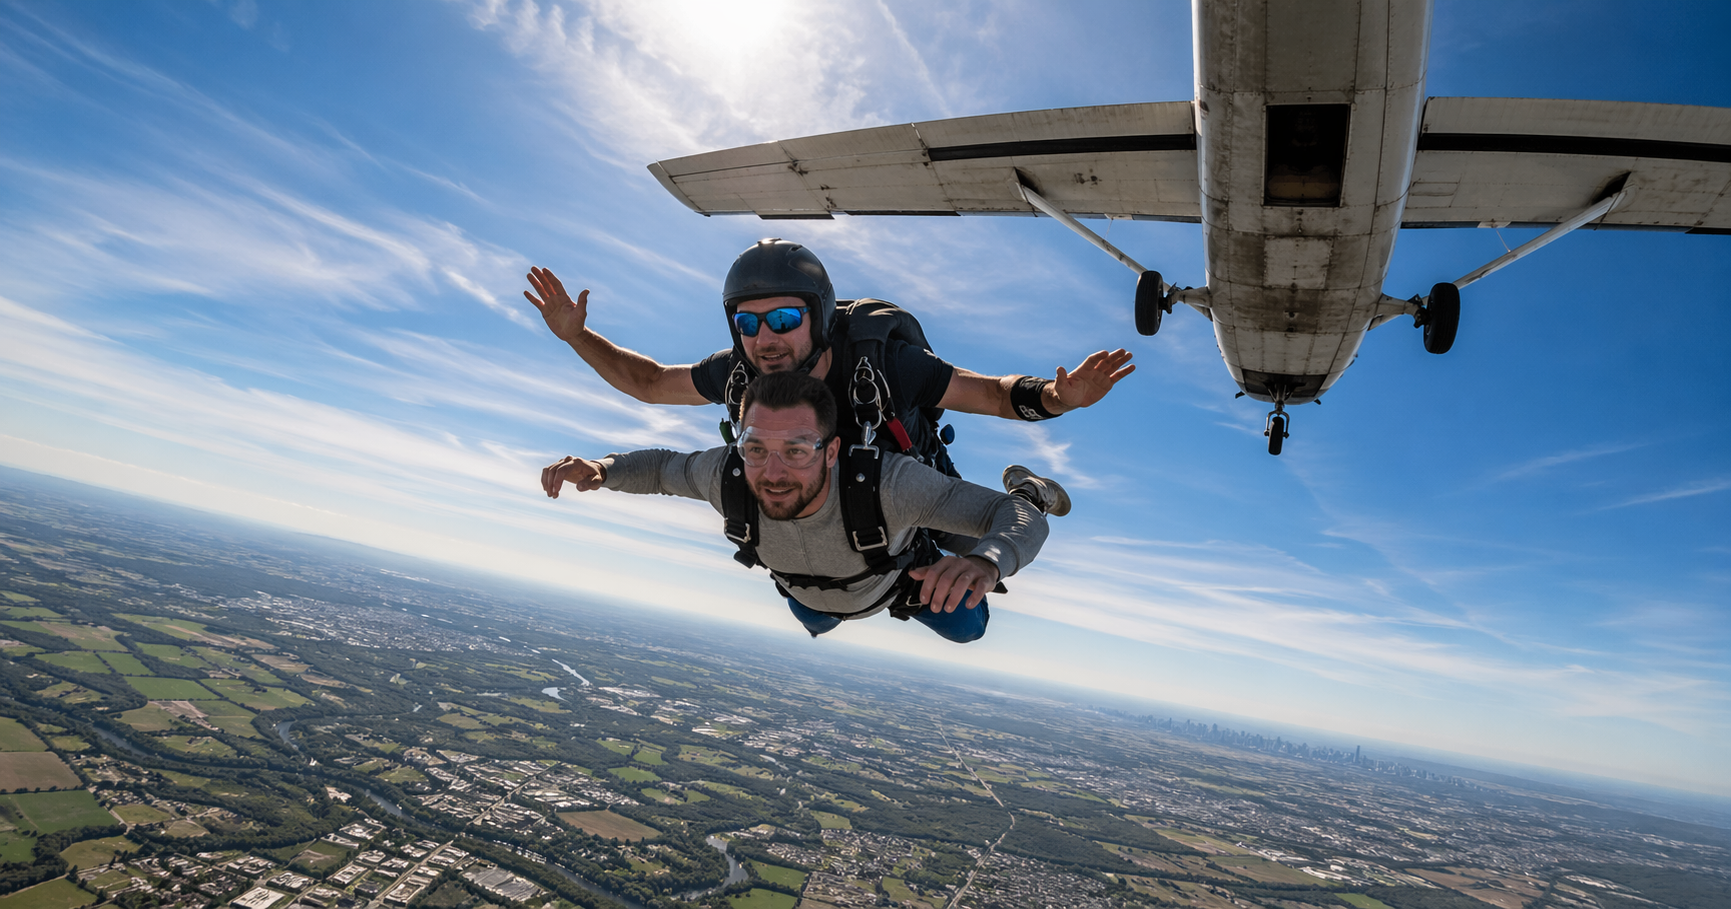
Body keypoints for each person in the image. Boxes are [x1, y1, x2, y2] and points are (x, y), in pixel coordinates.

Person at [540, 372, 1069, 643]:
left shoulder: (887, 484)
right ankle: (826, 609)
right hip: (813, 592)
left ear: (832, 450)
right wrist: (603, 470)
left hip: (899, 582)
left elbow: (1011, 520)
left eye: (796, 450)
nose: (771, 473)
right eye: (755, 449)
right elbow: (662, 468)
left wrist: (985, 562)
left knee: (968, 628)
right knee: (816, 620)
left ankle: (1031, 484)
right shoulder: (728, 472)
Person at [523, 239, 1135, 469]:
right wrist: (576, 336)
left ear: (818, 317)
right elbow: (651, 383)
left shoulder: (884, 364)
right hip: (826, 506)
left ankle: (1025, 492)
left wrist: (1060, 398)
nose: (765, 339)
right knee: (812, 605)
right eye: (747, 323)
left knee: (965, 619)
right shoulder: (741, 372)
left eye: (785, 319)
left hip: (905, 480)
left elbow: (994, 396)